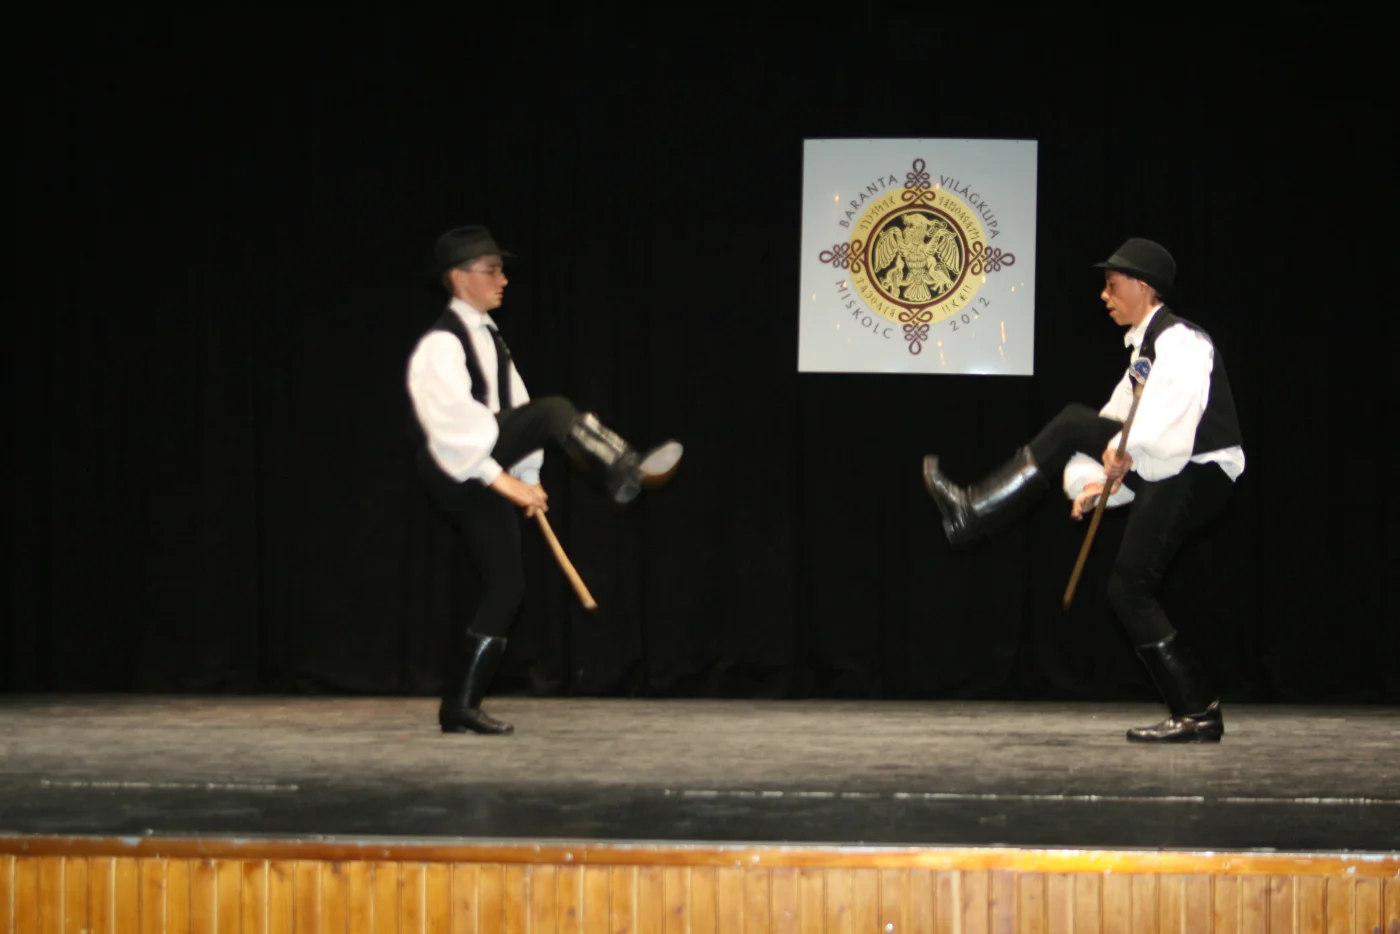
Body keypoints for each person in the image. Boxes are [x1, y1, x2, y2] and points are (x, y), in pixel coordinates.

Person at [920, 238, 1245, 743]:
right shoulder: (1143, 349)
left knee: (1075, 425)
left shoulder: (1182, 340)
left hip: (1199, 470)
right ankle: (1198, 711)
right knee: (1127, 589)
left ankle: (974, 510)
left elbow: (1172, 418)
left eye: (1112, 285)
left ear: (1144, 286)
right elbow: (1117, 420)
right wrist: (1095, 482)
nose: (1104, 296)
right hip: (1172, 467)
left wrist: (1122, 450)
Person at [407, 225, 683, 735]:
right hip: (453, 465)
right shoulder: (441, 344)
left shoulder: (491, 338)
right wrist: (500, 478)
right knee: (554, 409)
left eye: (501, 271)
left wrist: (527, 477)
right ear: (458, 277)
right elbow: (447, 426)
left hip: (483, 467)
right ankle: (624, 466)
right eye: (492, 271)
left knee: (507, 586)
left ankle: (459, 707)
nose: (503, 280)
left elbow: (516, 410)